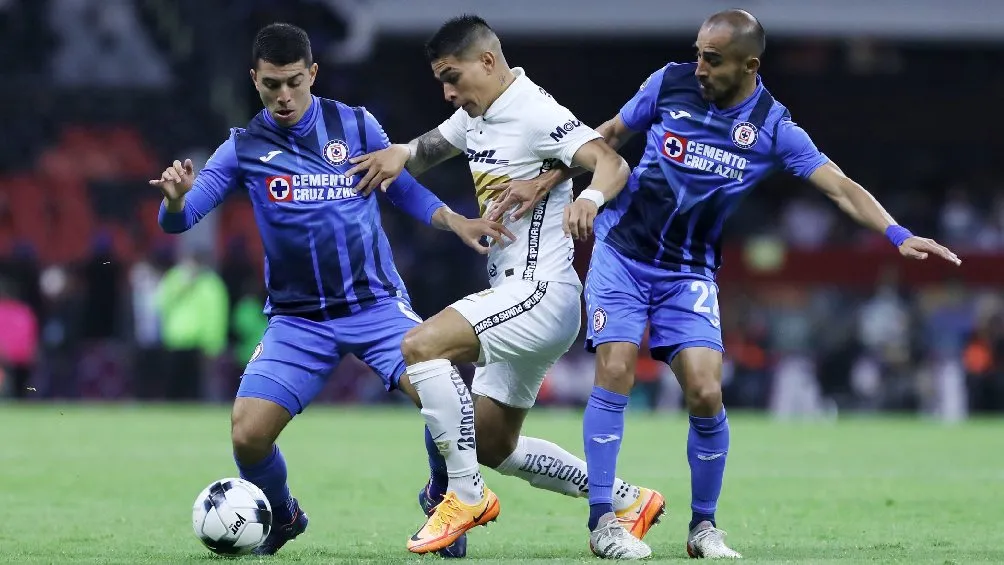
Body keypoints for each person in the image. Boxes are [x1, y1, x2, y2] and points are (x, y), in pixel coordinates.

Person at [487, 9, 961, 559]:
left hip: (688, 270)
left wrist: (897, 233)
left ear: (749, 64)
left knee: (707, 391)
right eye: (698, 53)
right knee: (615, 366)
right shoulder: (669, 82)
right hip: (623, 251)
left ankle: (704, 528)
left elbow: (839, 186)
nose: (701, 66)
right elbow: (608, 136)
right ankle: (603, 522)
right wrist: (546, 178)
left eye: (713, 59)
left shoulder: (772, 126)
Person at [151, 22, 511, 556]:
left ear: (312, 74)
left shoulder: (355, 125)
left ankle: (442, 496)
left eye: (294, 82)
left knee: (450, 402)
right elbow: (179, 222)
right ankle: (285, 514)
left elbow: (401, 187)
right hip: (298, 321)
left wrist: (455, 220)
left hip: (375, 307)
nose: (284, 96)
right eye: (271, 84)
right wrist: (177, 200)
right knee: (248, 434)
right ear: (255, 80)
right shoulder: (243, 147)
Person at [346, 15, 662, 559]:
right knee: (492, 443)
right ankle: (629, 502)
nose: (448, 93)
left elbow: (610, 162)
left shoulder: (536, 111)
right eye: (440, 82)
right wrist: (401, 152)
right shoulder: (478, 113)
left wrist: (588, 199)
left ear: (488, 62)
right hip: (517, 296)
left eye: (453, 77)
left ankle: (464, 495)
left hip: (541, 292)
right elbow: (430, 147)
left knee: (420, 345)